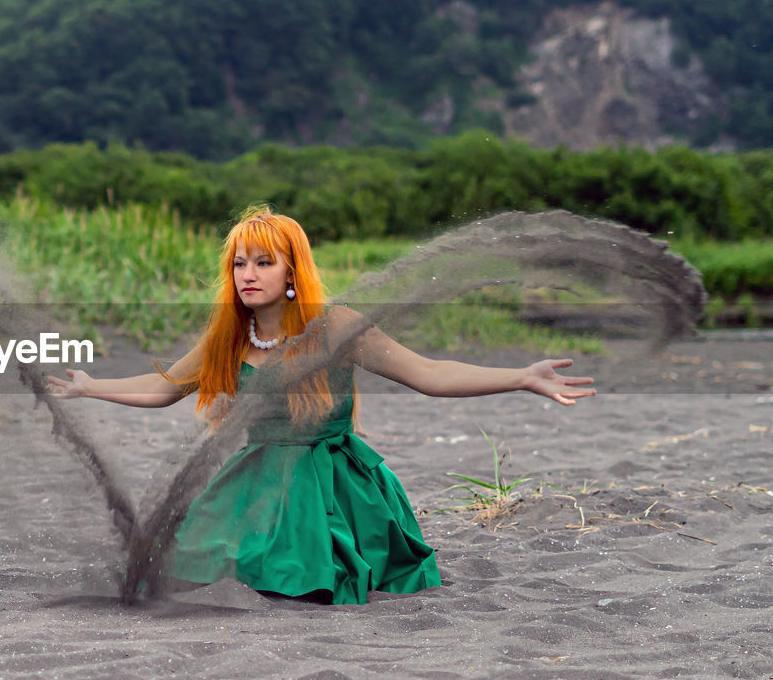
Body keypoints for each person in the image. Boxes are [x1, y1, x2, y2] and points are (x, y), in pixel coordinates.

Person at [46, 204, 595, 605]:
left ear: (291, 272)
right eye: (240, 264)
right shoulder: (229, 336)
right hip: (253, 477)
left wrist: (520, 376)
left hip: (330, 482)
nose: (248, 275)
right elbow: (164, 387)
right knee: (180, 570)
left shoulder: (335, 327)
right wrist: (90, 386)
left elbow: (429, 374)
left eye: (263, 263)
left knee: (308, 579)